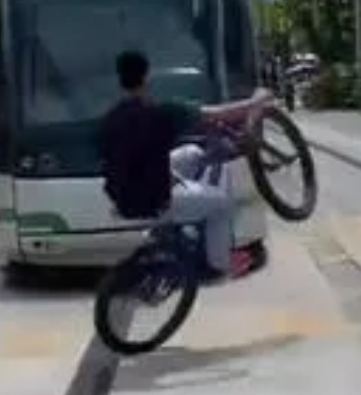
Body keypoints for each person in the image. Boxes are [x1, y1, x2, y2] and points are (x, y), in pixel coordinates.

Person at [98, 50, 273, 280]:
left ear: (120, 79)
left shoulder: (110, 117)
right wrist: (257, 101)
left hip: (122, 197)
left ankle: (183, 228)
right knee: (222, 204)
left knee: (191, 153)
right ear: (147, 77)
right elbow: (223, 114)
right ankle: (219, 264)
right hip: (153, 202)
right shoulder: (161, 112)